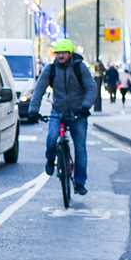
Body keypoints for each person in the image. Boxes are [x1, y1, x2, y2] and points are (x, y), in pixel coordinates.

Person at [26, 38, 98, 196]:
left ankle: (80, 183)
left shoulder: (80, 67)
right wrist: (33, 109)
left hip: (78, 113)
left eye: (63, 53)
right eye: (57, 53)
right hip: (57, 111)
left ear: (70, 54)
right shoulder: (50, 70)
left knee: (80, 148)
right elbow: (39, 89)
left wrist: (86, 106)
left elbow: (91, 88)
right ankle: (50, 160)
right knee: (51, 138)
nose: (60, 56)